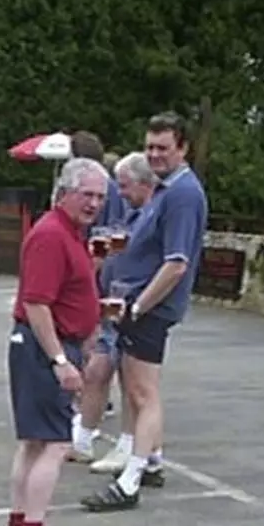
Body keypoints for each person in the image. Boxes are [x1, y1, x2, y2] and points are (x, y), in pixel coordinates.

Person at [80, 111, 208, 512]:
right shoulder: (165, 190)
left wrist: (138, 306)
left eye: (163, 148)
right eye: (150, 147)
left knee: (141, 392)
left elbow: (176, 262)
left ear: (183, 148)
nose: (155, 155)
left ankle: (130, 480)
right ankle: (149, 461)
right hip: (133, 304)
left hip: (147, 309)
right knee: (136, 389)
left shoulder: (184, 194)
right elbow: (135, 241)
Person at [3, 157, 108, 526]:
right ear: (65, 192)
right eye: (88, 195)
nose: (95, 203)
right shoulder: (51, 235)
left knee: (34, 442)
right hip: (43, 348)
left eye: (101, 196)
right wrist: (61, 360)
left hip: (38, 346)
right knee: (54, 443)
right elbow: (36, 302)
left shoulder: (68, 233)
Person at [75, 152, 158, 469]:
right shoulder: (136, 215)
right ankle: (84, 438)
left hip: (131, 304)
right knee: (99, 370)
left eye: (123, 186)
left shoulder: (151, 215)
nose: (119, 193)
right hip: (114, 300)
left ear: (142, 183)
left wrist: (137, 301)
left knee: (133, 381)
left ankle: (133, 447)